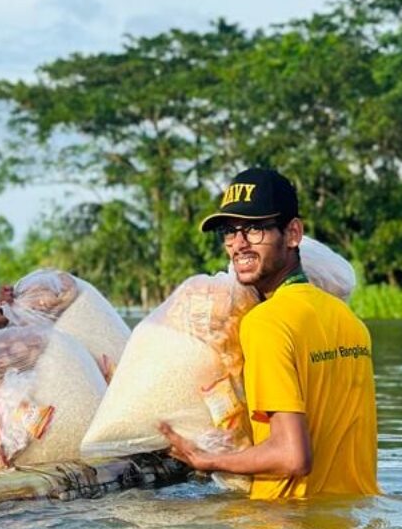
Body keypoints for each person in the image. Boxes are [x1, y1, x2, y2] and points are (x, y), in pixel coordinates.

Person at [160, 167, 379, 499]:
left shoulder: (266, 324)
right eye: (230, 232)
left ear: (292, 233)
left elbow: (292, 456)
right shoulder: (349, 322)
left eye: (255, 229)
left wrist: (209, 459)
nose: (238, 245)